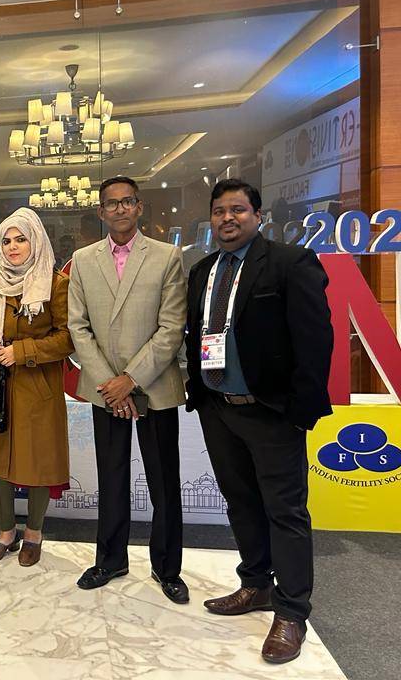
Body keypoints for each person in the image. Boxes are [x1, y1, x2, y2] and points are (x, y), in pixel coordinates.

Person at [185, 179, 332, 664]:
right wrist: (200, 395)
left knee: (285, 512)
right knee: (241, 503)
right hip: (219, 409)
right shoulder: (204, 270)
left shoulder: (290, 263)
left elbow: (315, 341)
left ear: (258, 215)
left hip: (271, 412)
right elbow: (197, 332)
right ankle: (255, 585)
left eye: (238, 210)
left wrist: (299, 411)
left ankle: (291, 612)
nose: (227, 218)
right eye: (219, 211)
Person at [67, 177, 189, 602]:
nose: (119, 209)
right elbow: (78, 327)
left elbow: (172, 327)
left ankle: (167, 568)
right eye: (111, 203)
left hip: (154, 386)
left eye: (127, 202)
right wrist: (111, 384)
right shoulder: (83, 260)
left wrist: (131, 380)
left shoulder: (167, 256)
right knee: (112, 476)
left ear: (139, 207)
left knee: (164, 480)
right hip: (105, 389)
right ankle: (110, 560)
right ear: (101, 212)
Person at [0, 208, 74, 567]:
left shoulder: (55, 283)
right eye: (6, 241)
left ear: (36, 241)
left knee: (39, 464)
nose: (12, 247)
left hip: (37, 390)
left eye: (21, 239)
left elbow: (67, 339)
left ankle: (33, 534)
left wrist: (21, 351)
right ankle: (5, 533)